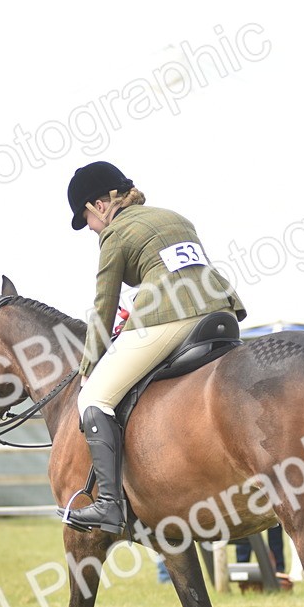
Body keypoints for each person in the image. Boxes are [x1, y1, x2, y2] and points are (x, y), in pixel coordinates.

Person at [62, 161, 247, 534]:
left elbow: (104, 306)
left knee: (94, 399)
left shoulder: (116, 234)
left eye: (88, 219)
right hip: (220, 311)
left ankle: (109, 506)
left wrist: (87, 370)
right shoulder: (174, 217)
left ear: (100, 205)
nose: (92, 229)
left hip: (171, 319)